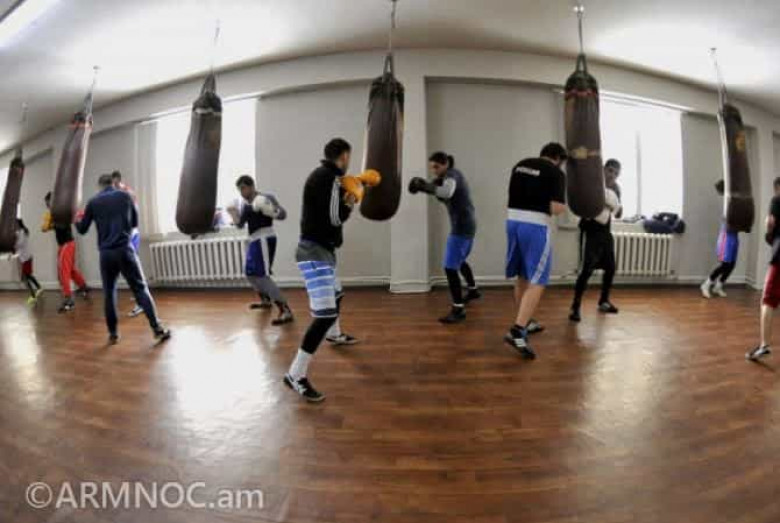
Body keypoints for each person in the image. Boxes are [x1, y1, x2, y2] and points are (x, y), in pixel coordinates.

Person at [284, 138, 359, 402]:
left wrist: (349, 194)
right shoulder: (330, 178)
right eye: (349, 157)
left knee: (337, 293)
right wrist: (351, 201)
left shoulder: (323, 176)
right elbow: (335, 217)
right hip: (314, 253)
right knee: (325, 315)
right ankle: (295, 374)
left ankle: (335, 335)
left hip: (322, 250)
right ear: (344, 156)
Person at [75, 174, 170, 345]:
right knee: (140, 289)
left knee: (109, 293)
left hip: (106, 255)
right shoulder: (125, 196)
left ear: (99, 186)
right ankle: (157, 329)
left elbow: (82, 229)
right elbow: (134, 223)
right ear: (113, 183)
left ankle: (113, 334)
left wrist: (76, 219)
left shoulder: (93, 202)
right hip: (125, 249)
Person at [503, 143, 567, 359]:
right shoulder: (555, 172)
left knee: (522, 275)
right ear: (558, 158)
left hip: (512, 222)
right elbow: (557, 208)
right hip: (535, 226)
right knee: (538, 279)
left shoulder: (520, 165)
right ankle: (518, 331)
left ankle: (525, 320)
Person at [409, 152, 480, 323]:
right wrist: (426, 187)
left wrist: (425, 187)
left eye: (436, 167)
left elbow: (447, 192)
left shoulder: (452, 175)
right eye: (432, 167)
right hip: (467, 224)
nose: (434, 170)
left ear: (446, 164)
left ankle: (458, 309)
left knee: (450, 267)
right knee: (459, 261)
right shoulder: (446, 178)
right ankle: (473, 290)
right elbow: (440, 191)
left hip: (461, 227)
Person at [231, 175, 293, 325]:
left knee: (262, 275)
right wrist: (233, 214)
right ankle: (266, 300)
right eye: (239, 190)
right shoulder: (245, 205)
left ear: (252, 186)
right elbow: (240, 225)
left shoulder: (266, 198)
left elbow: (283, 215)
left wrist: (270, 209)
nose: (242, 192)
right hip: (253, 240)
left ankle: (285, 310)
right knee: (250, 273)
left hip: (265, 238)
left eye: (243, 188)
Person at [569, 160, 622, 322]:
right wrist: (600, 201)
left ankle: (603, 301)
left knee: (611, 268)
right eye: (610, 171)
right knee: (587, 270)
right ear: (603, 169)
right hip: (590, 231)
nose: (612, 175)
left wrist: (615, 206)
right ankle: (575, 307)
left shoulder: (616, 189)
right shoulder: (592, 183)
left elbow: (618, 213)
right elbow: (580, 205)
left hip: (605, 232)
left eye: (616, 173)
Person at [747, 177, 780, 361]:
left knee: (768, 299)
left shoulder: (777, 199)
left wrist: (768, 229)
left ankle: (764, 345)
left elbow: (771, 223)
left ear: (777, 188)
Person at [42, 192, 89, 313]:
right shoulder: (55, 214)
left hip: (67, 244)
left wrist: (80, 214)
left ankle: (68, 300)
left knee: (63, 271)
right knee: (71, 270)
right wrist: (50, 225)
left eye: (48, 203)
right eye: (46, 203)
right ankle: (84, 287)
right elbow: (45, 228)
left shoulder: (61, 212)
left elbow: (79, 213)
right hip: (66, 245)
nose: (47, 205)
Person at [111, 170, 145, 317]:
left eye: (115, 183)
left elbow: (131, 216)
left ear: (119, 181)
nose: (113, 186)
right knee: (131, 268)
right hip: (128, 235)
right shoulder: (119, 194)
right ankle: (140, 296)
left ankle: (140, 302)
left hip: (131, 235)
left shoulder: (126, 194)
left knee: (132, 269)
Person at [701, 180, 738, 299]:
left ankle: (718, 286)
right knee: (725, 265)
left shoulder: (734, 200)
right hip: (726, 237)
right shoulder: (728, 201)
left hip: (734, 236)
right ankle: (706, 285)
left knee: (732, 264)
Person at [15, 218, 42, 304]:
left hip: (26, 257)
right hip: (26, 257)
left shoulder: (22, 232)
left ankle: (33, 296)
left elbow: (20, 244)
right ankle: (39, 287)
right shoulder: (20, 232)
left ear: (18, 224)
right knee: (28, 275)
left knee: (25, 277)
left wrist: (14, 243)